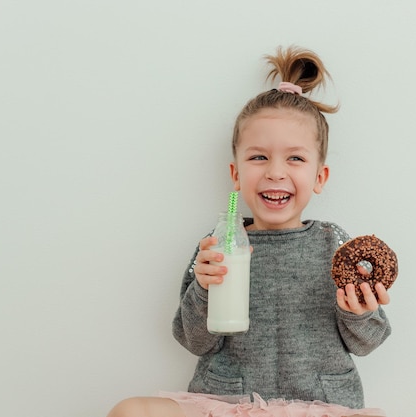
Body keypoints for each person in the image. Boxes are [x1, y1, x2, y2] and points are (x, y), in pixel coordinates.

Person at [107, 46, 392, 417]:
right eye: (259, 157)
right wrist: (204, 289)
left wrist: (357, 313)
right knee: (130, 411)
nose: (275, 171)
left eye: (295, 158)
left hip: (318, 406)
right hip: (228, 404)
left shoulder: (334, 244)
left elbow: (368, 342)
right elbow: (194, 341)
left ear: (319, 177)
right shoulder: (219, 244)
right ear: (236, 174)